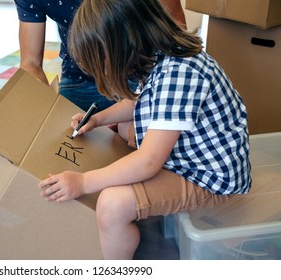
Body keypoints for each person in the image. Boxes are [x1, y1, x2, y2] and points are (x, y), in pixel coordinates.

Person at [38, 0, 252, 259]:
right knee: (127, 131)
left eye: (103, 64)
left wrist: (83, 182)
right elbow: (137, 102)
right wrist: (98, 119)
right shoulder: (161, 54)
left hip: (211, 182)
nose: (103, 73)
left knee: (112, 205)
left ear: (123, 44)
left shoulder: (178, 74)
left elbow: (149, 161)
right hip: (196, 163)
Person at [14, 0, 186, 112]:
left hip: (140, 73)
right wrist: (44, 113)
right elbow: (30, 63)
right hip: (79, 77)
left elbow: (175, 33)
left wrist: (146, 105)